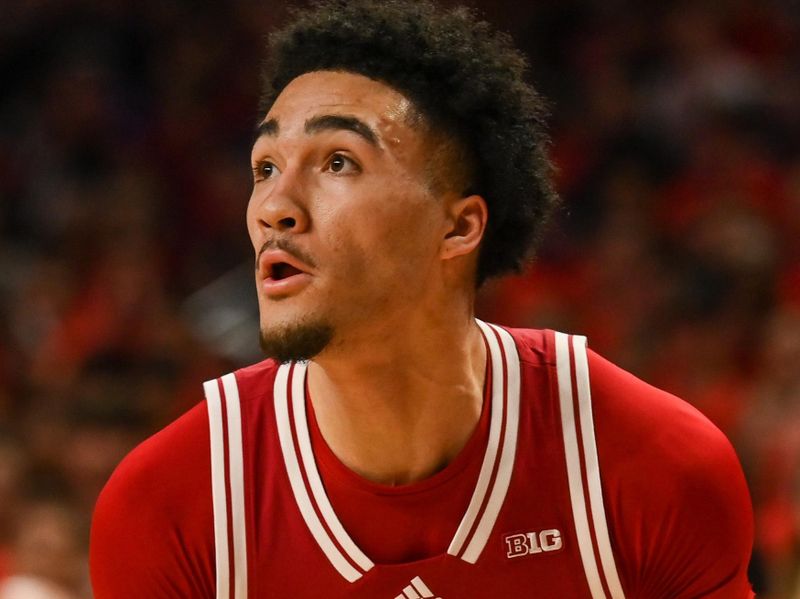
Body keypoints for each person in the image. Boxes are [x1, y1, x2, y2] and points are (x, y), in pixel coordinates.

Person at [89, 1, 755, 597]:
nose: (274, 207)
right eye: (265, 166)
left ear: (459, 225)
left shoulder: (651, 466)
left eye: (337, 161)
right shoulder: (174, 504)